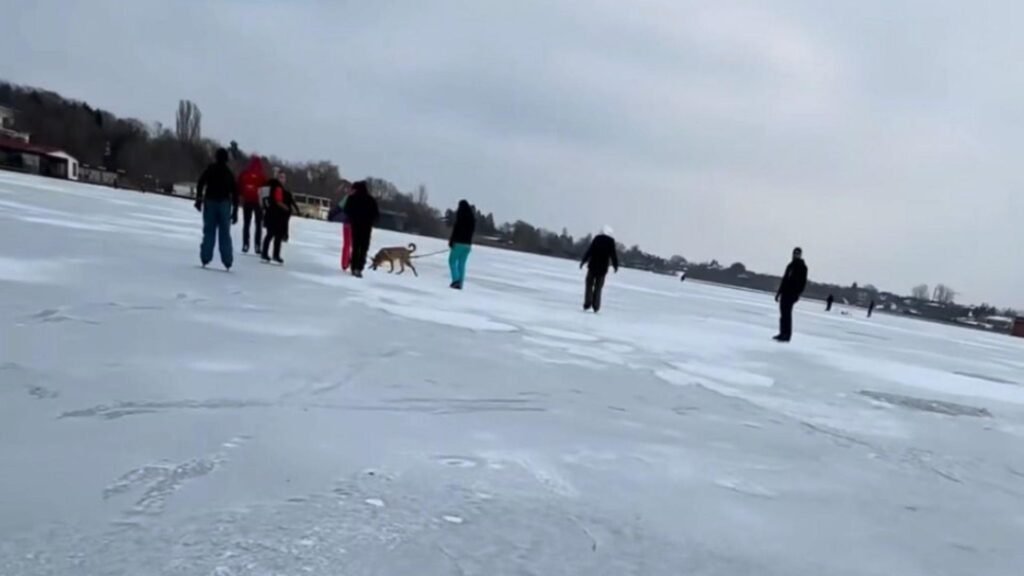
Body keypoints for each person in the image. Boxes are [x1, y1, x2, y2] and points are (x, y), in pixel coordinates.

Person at [195, 148, 239, 270]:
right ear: (226, 159)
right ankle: (227, 260)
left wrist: (199, 199)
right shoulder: (229, 173)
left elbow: (201, 182)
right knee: (225, 233)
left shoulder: (210, 169)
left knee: (209, 231)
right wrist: (235, 211)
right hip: (224, 204)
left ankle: (205, 257)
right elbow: (235, 192)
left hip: (210, 202)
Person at [260, 170, 299, 264]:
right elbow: (278, 201)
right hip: (275, 215)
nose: (283, 179)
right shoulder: (277, 188)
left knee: (272, 235)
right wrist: (287, 208)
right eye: (281, 177)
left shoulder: (275, 187)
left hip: (272, 215)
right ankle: (272, 255)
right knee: (274, 235)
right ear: (278, 177)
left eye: (284, 177)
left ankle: (268, 254)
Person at [343, 180, 380, 278]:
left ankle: (354, 266)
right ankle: (359, 268)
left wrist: (353, 218)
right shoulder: (371, 200)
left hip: (355, 226)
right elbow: (376, 214)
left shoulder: (352, 198)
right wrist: (370, 220)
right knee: (364, 248)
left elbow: (346, 210)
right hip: (367, 227)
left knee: (356, 247)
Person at [580, 226, 619, 313]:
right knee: (598, 287)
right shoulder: (611, 242)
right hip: (602, 269)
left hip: (592, 266)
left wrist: (583, 261)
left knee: (589, 285)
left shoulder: (597, 239)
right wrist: (615, 266)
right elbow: (613, 255)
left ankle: (587, 303)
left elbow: (590, 251)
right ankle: (596, 306)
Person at [774, 247, 808, 342]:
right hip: (785, 292)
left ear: (800, 255)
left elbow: (803, 282)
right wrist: (778, 293)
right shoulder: (790, 266)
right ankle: (782, 332)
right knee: (783, 314)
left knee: (787, 314)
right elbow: (784, 280)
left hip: (792, 294)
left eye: (798, 253)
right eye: (795, 253)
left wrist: (797, 294)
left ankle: (787, 335)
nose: (796, 255)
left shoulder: (802, 267)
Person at [237, 155, 266, 254]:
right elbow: (265, 190)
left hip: (247, 201)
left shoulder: (245, 173)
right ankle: (257, 246)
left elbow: (240, 185)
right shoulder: (262, 176)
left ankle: (246, 244)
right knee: (258, 225)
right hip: (258, 203)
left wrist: (241, 196)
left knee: (246, 224)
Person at [448, 200, 476, 289]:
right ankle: (460, 283)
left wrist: (452, 241)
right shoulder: (472, 219)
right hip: (468, 245)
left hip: (459, 243)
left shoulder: (461, 217)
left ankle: (456, 281)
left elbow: (456, 230)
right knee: (462, 264)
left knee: (451, 261)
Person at [336, 183, 354, 270]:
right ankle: (349, 262)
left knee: (347, 244)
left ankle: (345, 263)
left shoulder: (347, 198)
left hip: (348, 223)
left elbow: (339, 207)